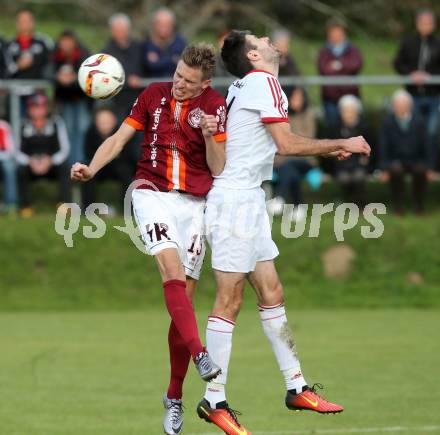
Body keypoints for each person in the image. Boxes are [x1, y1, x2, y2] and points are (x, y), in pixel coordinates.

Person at [195, 30, 370, 435]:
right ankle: (214, 399)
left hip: (247, 200)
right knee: (229, 301)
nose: (270, 38)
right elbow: (285, 144)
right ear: (255, 55)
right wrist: (343, 141)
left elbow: (265, 146)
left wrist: (327, 147)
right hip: (236, 203)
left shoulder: (245, 86)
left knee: (271, 292)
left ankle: (296, 387)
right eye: (260, 37)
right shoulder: (264, 82)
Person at [70, 43, 227, 435]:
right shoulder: (152, 94)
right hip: (150, 194)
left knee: (184, 304)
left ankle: (173, 396)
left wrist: (209, 136)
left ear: (205, 83)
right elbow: (119, 139)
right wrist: (91, 167)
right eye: (177, 75)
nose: (178, 85)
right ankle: (201, 354)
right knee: (169, 271)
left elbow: (218, 166)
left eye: (188, 83)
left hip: (194, 204)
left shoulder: (215, 106)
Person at [394, 8, 440, 170]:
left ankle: (430, 167)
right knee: (412, 132)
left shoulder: (438, 43)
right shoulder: (408, 42)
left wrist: (430, 76)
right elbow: (398, 64)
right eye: (423, 23)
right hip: (412, 95)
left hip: (434, 96)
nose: (425, 26)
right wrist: (411, 74)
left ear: (433, 25)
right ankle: (414, 166)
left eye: (429, 23)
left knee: (431, 132)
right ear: (417, 24)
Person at [16, 93, 71, 217]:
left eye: (41, 107)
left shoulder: (57, 122)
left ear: (46, 108)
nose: (37, 111)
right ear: (29, 109)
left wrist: (50, 161)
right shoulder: (23, 124)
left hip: (51, 165)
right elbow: (17, 152)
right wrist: (30, 161)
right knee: (20, 171)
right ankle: (25, 206)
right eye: (34, 107)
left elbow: (65, 149)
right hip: (31, 165)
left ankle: (63, 204)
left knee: (65, 168)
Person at [270, 87, 318, 220]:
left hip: (304, 159)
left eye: (300, 98)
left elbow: (308, 139)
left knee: (289, 167)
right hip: (283, 160)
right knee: (291, 171)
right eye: (295, 98)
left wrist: (290, 140)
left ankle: (280, 197)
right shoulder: (282, 115)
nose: (297, 101)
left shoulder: (308, 114)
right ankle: (299, 206)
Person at [379, 89, 429, 215]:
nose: (400, 108)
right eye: (397, 105)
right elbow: (383, 146)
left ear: (410, 106)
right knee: (395, 170)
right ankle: (398, 206)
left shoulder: (419, 122)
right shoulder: (387, 122)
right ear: (393, 107)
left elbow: (428, 146)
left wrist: (430, 167)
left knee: (421, 170)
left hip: (415, 160)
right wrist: (384, 168)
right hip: (396, 161)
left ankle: (419, 205)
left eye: (403, 105)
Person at [81, 107, 134, 211]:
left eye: (107, 122)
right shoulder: (90, 132)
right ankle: (87, 210)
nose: (105, 125)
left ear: (114, 120)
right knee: (86, 173)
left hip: (118, 165)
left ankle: (128, 210)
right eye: (102, 122)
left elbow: (129, 155)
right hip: (98, 167)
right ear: (96, 122)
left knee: (126, 173)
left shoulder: (123, 133)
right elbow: (88, 153)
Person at [53, 30, 90, 165]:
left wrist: (75, 79)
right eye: (63, 42)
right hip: (64, 100)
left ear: (74, 42)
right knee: (67, 131)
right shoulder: (55, 55)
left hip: (81, 99)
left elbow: (89, 73)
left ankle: (81, 162)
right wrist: (57, 77)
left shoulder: (83, 54)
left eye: (69, 41)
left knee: (82, 129)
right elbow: (48, 71)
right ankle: (70, 164)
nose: (66, 45)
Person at [317, 18, 363, 128]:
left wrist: (338, 65)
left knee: (353, 130)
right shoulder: (324, 51)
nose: (336, 35)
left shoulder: (353, 50)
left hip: (350, 96)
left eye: (338, 32)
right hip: (330, 98)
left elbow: (356, 64)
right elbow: (324, 69)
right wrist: (345, 68)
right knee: (333, 130)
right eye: (333, 32)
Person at [329, 94, 371, 208]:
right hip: (341, 164)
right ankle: (350, 202)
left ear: (357, 112)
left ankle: (361, 203)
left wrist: (365, 160)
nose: (347, 115)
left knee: (359, 176)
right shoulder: (335, 128)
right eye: (344, 111)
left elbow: (370, 149)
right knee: (344, 178)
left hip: (359, 163)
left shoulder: (364, 127)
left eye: (350, 111)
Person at [102, 13, 144, 121]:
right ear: (112, 31)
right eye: (117, 30)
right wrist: (127, 81)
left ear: (128, 30)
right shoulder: (106, 52)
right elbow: (105, 78)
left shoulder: (138, 47)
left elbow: (146, 67)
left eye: (123, 29)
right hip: (117, 101)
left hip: (139, 99)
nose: (120, 33)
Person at [7, 9, 53, 80]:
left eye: (28, 20)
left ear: (33, 23)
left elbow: (51, 65)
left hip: (37, 88)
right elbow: (4, 71)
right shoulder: (8, 45)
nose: (25, 23)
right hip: (14, 88)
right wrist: (18, 66)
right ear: (16, 23)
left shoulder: (44, 43)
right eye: (21, 21)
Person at [142, 8, 186, 77]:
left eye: (167, 24)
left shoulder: (181, 43)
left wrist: (159, 61)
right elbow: (151, 66)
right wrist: (172, 59)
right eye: (160, 24)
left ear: (173, 25)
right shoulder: (146, 44)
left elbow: (184, 67)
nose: (163, 28)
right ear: (154, 25)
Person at [0, 118, 18, 213]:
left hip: (3, 159)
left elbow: (11, 150)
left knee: (9, 167)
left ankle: (11, 204)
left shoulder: (3, 126)